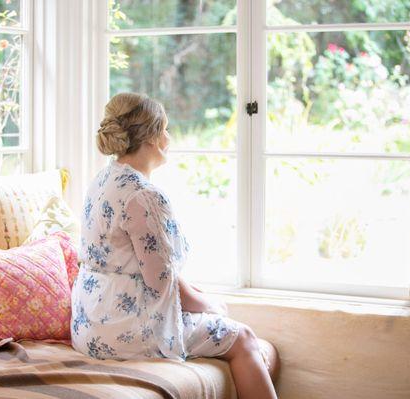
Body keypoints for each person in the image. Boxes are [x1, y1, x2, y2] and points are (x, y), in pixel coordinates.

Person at [71, 92, 279, 399]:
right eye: (165, 129)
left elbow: (139, 264)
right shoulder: (143, 196)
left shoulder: (102, 180)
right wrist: (210, 306)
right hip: (124, 328)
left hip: (87, 324)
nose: (169, 136)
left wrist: (197, 295)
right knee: (244, 340)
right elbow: (162, 283)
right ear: (153, 137)